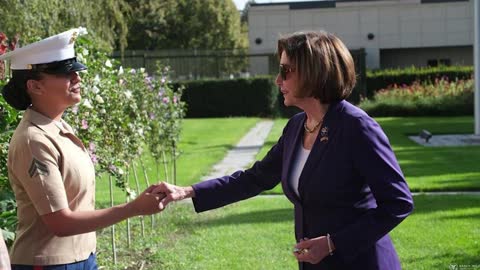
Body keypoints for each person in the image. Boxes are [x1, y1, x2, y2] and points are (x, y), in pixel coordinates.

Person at [150, 31, 414, 269]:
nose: (277, 80)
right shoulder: (297, 126)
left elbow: (398, 202)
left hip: (363, 263)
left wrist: (334, 243)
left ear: (314, 72)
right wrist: (186, 191)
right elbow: (256, 178)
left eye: (286, 71)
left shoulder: (357, 128)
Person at [0, 28, 163, 269]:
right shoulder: (34, 140)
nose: (77, 78)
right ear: (34, 86)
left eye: (76, 70)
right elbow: (61, 223)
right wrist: (133, 208)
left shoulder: (58, 126)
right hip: (50, 264)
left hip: (81, 258)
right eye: (65, 73)